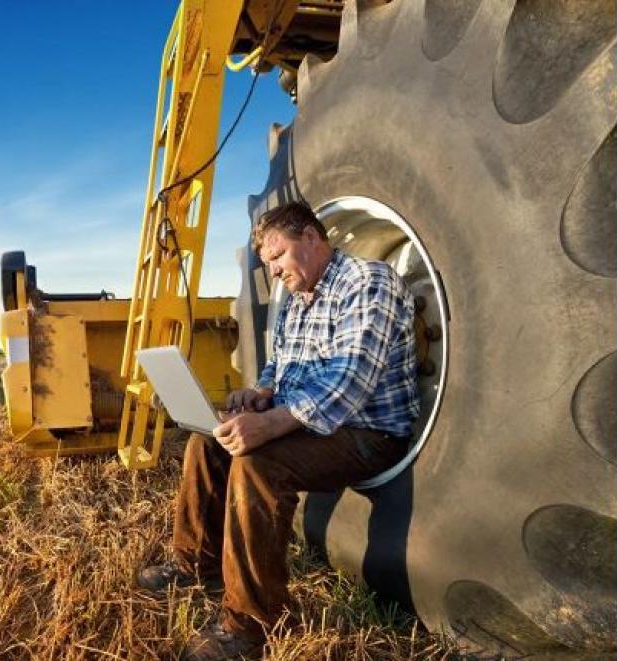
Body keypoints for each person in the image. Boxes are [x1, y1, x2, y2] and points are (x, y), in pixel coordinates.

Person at [136, 202, 420, 660]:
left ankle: (249, 625)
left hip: (369, 434)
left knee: (257, 463)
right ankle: (195, 564)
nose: (272, 271)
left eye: (278, 255)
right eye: (266, 262)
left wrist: (268, 425)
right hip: (314, 425)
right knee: (207, 442)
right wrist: (260, 394)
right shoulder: (295, 298)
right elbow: (281, 365)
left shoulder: (367, 282)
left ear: (311, 237)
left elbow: (349, 383)